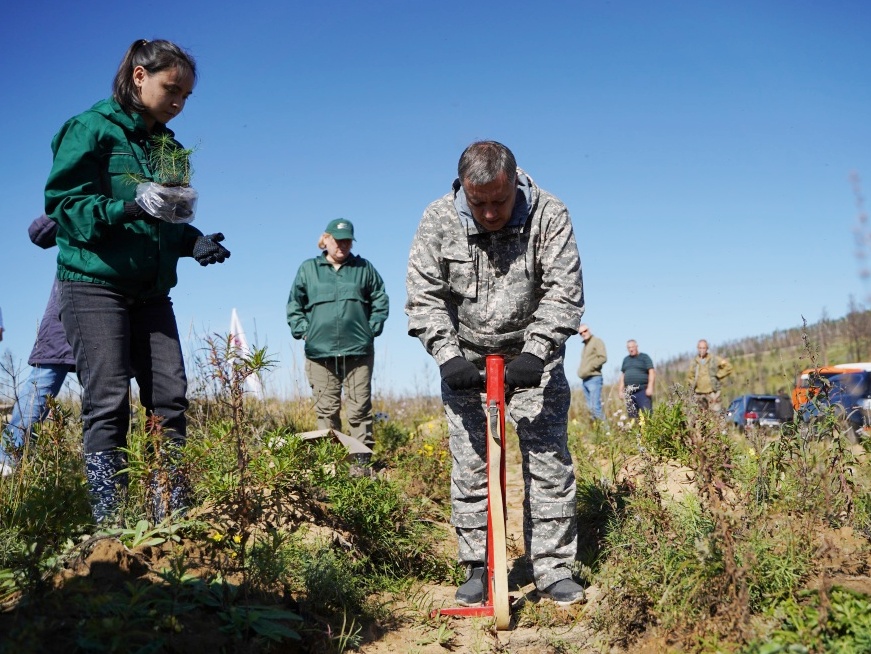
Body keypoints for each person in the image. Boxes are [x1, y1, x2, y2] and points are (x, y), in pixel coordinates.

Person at [44, 39, 230, 523]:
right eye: (172, 89)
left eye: (187, 95)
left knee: (169, 398)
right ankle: (113, 522)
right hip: (93, 285)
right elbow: (63, 208)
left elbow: (165, 218)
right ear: (140, 76)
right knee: (107, 401)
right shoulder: (91, 129)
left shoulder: (168, 147)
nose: (178, 102)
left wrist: (191, 241)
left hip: (151, 291)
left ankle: (170, 511)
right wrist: (125, 206)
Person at [406, 140, 586, 606]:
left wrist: (537, 351)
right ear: (463, 190)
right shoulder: (438, 219)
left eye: (499, 202)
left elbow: (564, 290)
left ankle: (552, 569)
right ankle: (478, 569)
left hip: (533, 359)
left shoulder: (549, 213)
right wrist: (447, 356)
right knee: (470, 465)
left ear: (514, 184)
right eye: (478, 203)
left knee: (547, 461)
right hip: (466, 360)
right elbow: (424, 295)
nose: (488, 214)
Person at [287, 218, 389, 475]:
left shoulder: (363, 268)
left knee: (359, 410)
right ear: (326, 239)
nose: (342, 245)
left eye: (347, 240)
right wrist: (303, 331)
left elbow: (380, 298)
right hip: (320, 353)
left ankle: (360, 468)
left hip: (358, 351)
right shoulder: (308, 269)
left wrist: (372, 328)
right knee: (326, 411)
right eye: (337, 240)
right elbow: (294, 304)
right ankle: (329, 468)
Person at [1, 216, 77, 475]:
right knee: (40, 388)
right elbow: (39, 232)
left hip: (119, 317)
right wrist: (72, 195)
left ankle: (99, 467)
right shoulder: (84, 192)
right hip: (65, 317)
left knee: (107, 395)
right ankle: (9, 461)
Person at [687, 339, 733, 411]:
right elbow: (690, 377)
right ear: (697, 348)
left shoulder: (714, 359)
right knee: (698, 416)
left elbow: (728, 367)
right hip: (698, 394)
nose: (702, 350)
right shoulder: (694, 362)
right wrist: (692, 385)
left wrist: (718, 375)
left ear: (707, 348)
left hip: (712, 393)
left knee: (715, 415)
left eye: (704, 348)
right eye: (700, 348)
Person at [577, 324, 607, 421]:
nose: (583, 334)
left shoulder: (597, 341)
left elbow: (603, 357)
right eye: (580, 333)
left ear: (589, 330)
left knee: (595, 408)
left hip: (594, 378)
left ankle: (607, 434)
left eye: (585, 331)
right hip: (585, 380)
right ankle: (598, 433)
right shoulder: (585, 345)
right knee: (591, 409)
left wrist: (590, 368)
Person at [617, 340, 655, 418]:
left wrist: (650, 387)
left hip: (642, 391)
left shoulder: (644, 357)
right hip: (629, 392)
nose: (631, 349)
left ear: (636, 346)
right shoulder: (626, 360)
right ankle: (636, 429)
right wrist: (620, 390)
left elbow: (651, 372)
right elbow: (623, 375)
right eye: (629, 347)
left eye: (632, 347)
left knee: (646, 414)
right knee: (633, 417)